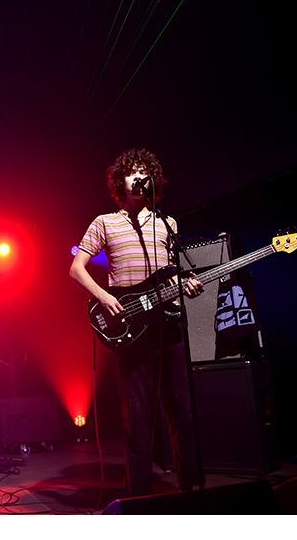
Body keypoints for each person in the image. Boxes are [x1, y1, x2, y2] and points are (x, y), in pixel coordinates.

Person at [69, 147, 204, 496]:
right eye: (132, 172)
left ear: (154, 181)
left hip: (167, 325)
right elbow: (76, 269)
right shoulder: (105, 222)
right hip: (129, 328)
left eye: (145, 171)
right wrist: (104, 296)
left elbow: (171, 275)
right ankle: (140, 495)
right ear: (120, 181)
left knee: (182, 408)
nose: (138, 177)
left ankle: (190, 486)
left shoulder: (167, 224)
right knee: (138, 415)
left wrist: (184, 286)